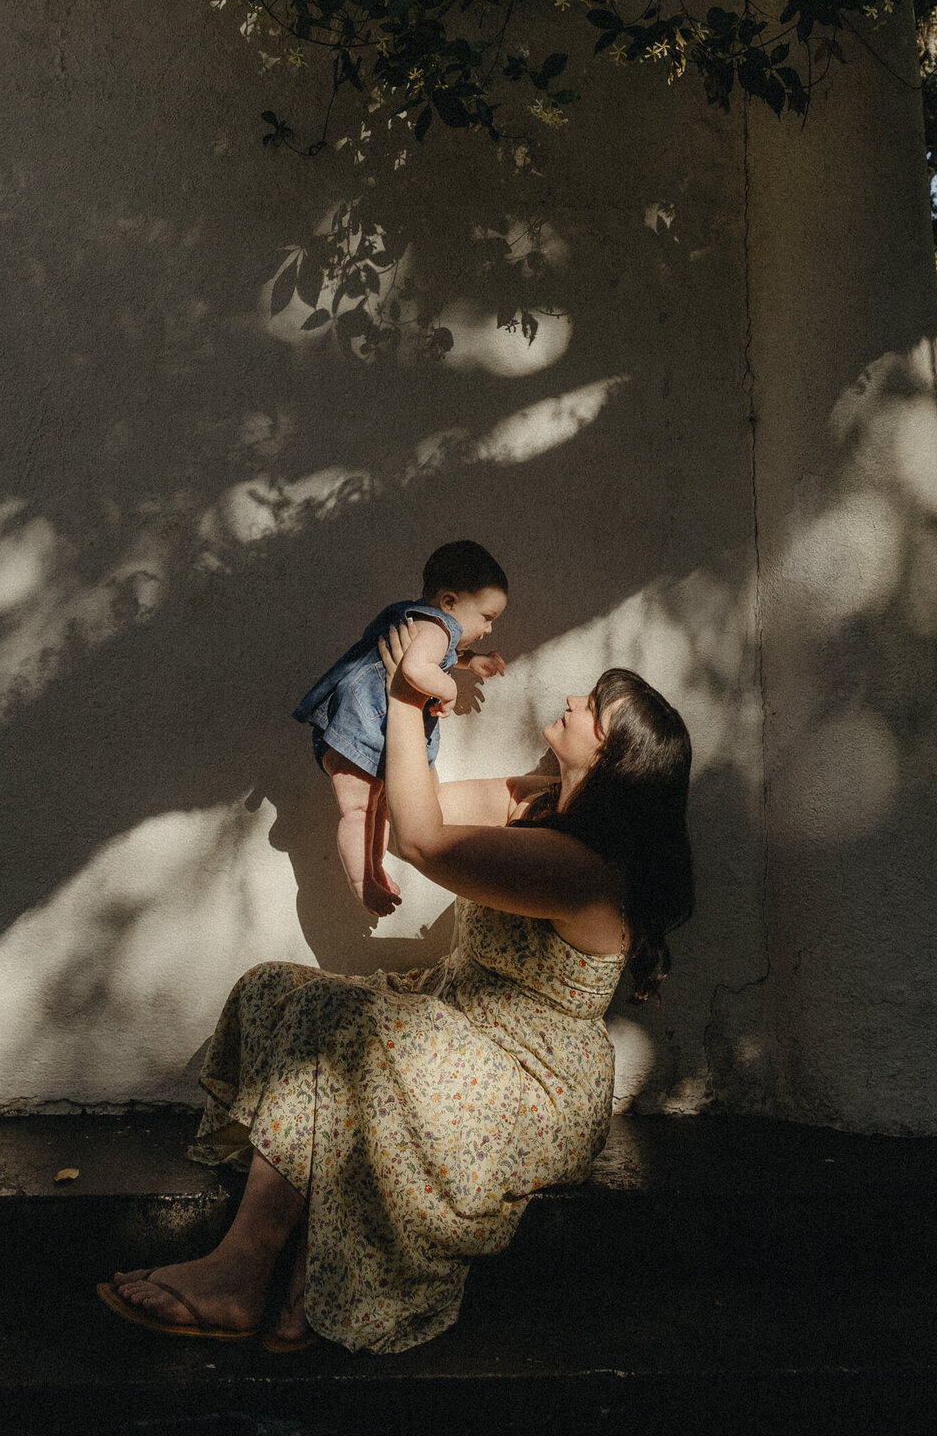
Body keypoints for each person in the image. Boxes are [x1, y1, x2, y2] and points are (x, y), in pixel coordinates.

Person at [98, 641, 694, 1355]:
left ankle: (241, 1270)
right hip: (457, 1021)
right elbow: (415, 806)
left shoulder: (583, 871)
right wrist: (382, 717)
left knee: (337, 1018)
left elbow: (421, 842)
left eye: (596, 711)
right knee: (272, 990)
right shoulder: (537, 803)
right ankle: (304, 1261)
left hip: (524, 1080)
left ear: (612, 762)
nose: (575, 703)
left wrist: (410, 697)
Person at [291, 538, 510, 917]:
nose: (489, 628)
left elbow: (428, 654)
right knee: (361, 812)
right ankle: (363, 881)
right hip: (360, 730)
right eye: (487, 617)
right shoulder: (438, 629)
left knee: (373, 809)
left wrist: (470, 661)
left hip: (361, 731)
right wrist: (449, 689)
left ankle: (372, 872)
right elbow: (415, 667)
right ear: (450, 602)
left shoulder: (420, 620)